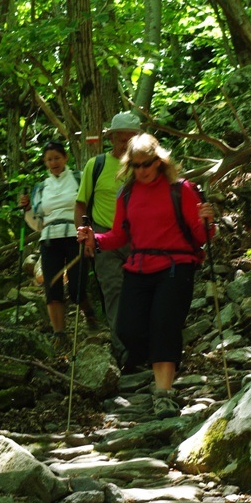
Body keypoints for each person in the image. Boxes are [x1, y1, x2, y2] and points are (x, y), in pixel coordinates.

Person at [77, 133, 215, 413]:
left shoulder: (181, 189)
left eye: (146, 164)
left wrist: (207, 222)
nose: (141, 170)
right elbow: (119, 235)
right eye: (136, 165)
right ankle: (160, 359)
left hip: (176, 266)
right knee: (127, 329)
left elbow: (202, 236)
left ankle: (163, 393)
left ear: (159, 161)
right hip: (139, 267)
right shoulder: (127, 193)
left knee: (164, 324)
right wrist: (94, 239)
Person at [75, 111, 141, 361]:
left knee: (140, 292)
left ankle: (142, 346)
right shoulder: (96, 165)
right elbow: (81, 205)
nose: (126, 145)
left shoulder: (144, 166)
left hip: (140, 238)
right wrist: (84, 236)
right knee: (113, 291)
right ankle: (122, 350)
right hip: (104, 237)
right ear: (111, 138)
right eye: (122, 139)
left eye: (131, 139)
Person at [19, 141, 94, 350]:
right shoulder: (41, 188)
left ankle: (89, 314)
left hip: (75, 236)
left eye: (57, 158)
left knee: (77, 286)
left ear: (65, 158)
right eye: (49, 159)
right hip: (50, 240)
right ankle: (59, 334)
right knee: (52, 287)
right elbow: (37, 223)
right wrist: (27, 209)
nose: (54, 163)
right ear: (45, 162)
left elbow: (90, 206)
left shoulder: (79, 178)